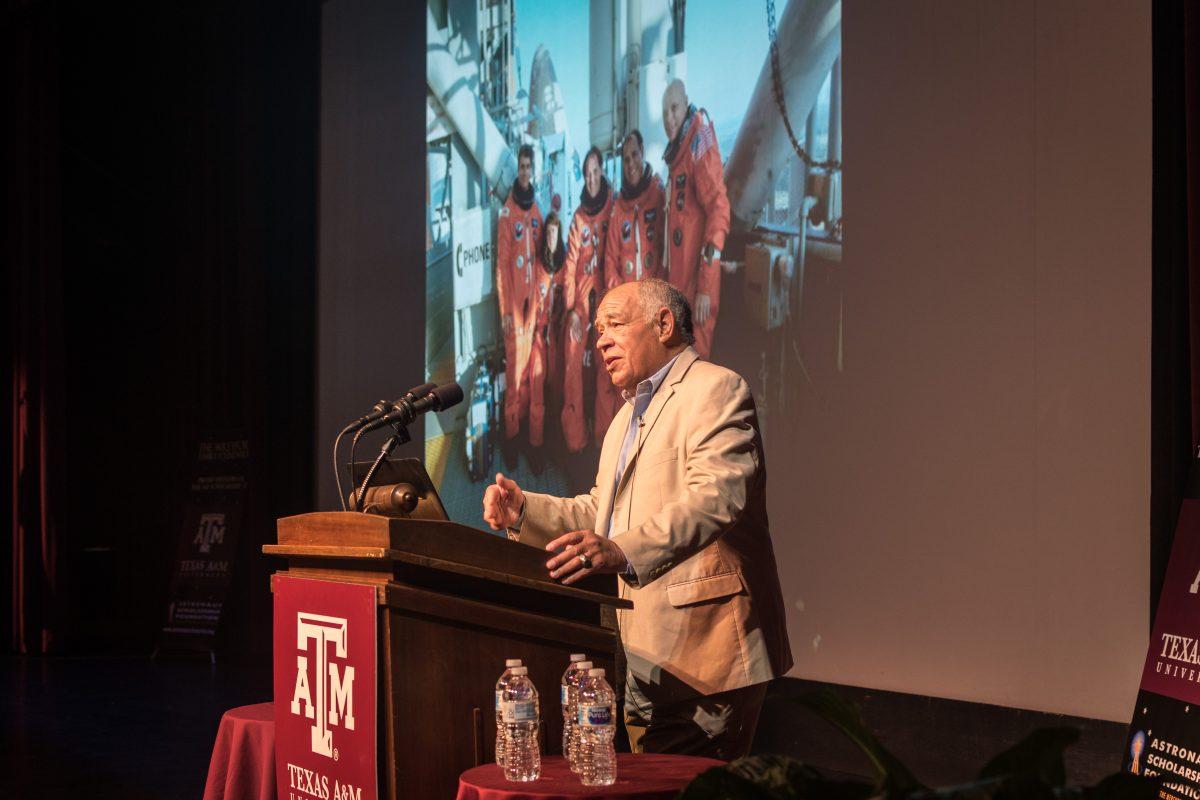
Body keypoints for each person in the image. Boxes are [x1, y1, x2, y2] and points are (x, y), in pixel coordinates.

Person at [482, 278, 792, 759]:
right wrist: (524, 511)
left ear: (664, 324)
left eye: (615, 325)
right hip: (641, 657)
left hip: (706, 655)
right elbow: (599, 513)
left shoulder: (715, 389)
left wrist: (623, 550)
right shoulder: (625, 421)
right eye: (597, 330)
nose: (600, 340)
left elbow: (716, 497)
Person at [595, 130, 666, 442]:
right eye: (626, 159)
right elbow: (611, 261)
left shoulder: (658, 195)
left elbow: (669, 251)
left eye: (635, 155)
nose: (632, 163)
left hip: (653, 313)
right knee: (625, 385)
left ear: (643, 155)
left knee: (656, 382)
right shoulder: (618, 208)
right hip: (628, 319)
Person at [661, 80, 730, 359]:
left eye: (674, 108)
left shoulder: (699, 141)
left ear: (686, 101)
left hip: (698, 292)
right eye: (665, 113)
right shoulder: (680, 154)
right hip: (681, 292)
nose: (669, 118)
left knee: (695, 377)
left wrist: (705, 287)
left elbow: (719, 208)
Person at [561, 147, 614, 453]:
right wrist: (571, 311)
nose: (592, 179)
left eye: (596, 172)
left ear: (602, 171)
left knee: (608, 371)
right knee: (573, 368)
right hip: (581, 305)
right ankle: (576, 444)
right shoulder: (578, 219)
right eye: (587, 174)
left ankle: (604, 445)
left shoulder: (615, 208)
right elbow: (569, 267)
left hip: (608, 302)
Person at [496, 144, 544, 444]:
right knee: (514, 373)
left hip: (533, 305)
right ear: (518, 170)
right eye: (522, 166)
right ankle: (512, 436)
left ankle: (526, 432)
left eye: (529, 166)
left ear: (533, 170)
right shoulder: (507, 211)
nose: (525, 171)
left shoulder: (535, 210)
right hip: (514, 306)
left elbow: (540, 260)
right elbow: (502, 266)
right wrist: (504, 310)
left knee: (529, 372)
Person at [528, 210, 567, 448]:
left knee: (557, 389)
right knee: (536, 389)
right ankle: (536, 445)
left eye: (555, 233)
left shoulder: (563, 266)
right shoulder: (538, 267)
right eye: (548, 233)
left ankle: (554, 442)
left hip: (557, 335)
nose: (551, 238)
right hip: (540, 336)